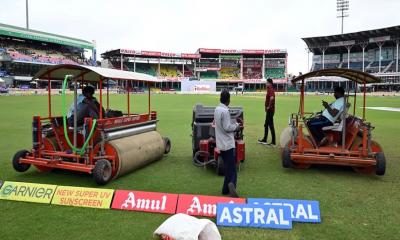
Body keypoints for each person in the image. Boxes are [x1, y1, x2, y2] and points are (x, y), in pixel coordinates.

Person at [214, 89, 242, 198]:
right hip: (228, 144)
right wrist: (236, 126)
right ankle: (232, 186)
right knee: (233, 170)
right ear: (228, 100)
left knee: (228, 168)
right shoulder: (225, 111)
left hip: (220, 143)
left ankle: (225, 190)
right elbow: (227, 127)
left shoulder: (217, 109)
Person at [258, 78, 276, 146]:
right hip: (270, 110)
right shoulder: (269, 89)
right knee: (266, 125)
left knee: (270, 125)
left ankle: (273, 142)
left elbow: (272, 98)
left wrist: (268, 106)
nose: (266, 84)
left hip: (270, 110)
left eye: (267, 82)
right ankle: (265, 139)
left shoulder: (270, 89)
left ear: (270, 83)